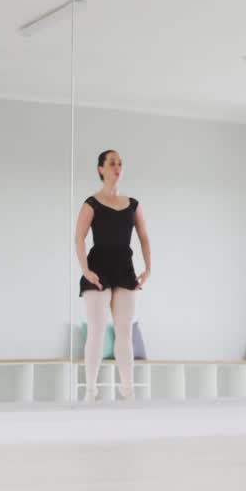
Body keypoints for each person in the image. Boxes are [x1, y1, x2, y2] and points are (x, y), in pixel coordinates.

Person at [74, 150, 151, 402]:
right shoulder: (91, 203)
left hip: (124, 269)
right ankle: (91, 390)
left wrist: (148, 268)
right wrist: (85, 270)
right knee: (96, 330)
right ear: (101, 169)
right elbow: (79, 238)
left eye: (120, 163)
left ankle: (128, 391)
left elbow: (143, 237)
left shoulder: (134, 204)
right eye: (112, 163)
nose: (117, 167)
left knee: (124, 331)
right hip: (98, 269)